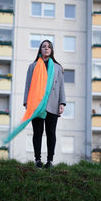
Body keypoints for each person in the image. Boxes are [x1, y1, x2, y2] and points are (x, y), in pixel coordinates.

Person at [24, 40, 66, 169]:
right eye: (44, 47)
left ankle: (50, 161)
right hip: (36, 104)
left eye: (49, 47)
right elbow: (28, 85)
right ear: (40, 50)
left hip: (53, 103)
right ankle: (37, 160)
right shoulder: (33, 66)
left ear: (52, 50)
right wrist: (26, 102)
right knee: (37, 132)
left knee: (51, 133)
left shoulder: (58, 67)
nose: (46, 48)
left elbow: (61, 87)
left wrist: (62, 102)